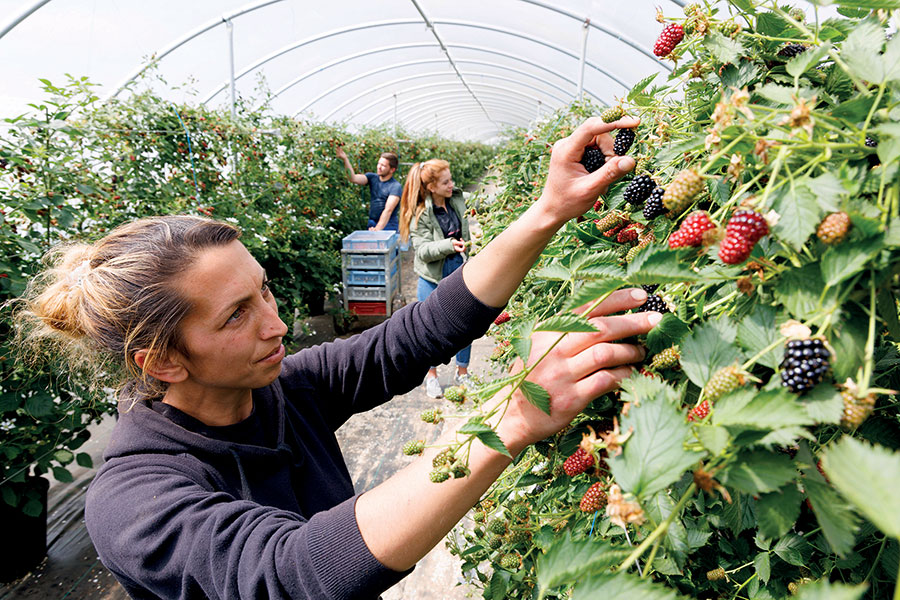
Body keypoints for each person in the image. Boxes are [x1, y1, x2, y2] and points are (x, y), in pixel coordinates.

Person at [12, 117, 654, 600]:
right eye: (236, 314)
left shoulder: (281, 389)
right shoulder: (134, 498)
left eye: (264, 288)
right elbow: (292, 571)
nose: (278, 322)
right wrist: (511, 415)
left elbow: (413, 336)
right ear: (162, 362)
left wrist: (549, 210)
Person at [398, 159, 472, 398]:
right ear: (431, 187)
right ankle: (431, 376)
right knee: (429, 330)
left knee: (466, 323)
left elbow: (483, 201)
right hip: (432, 277)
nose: (452, 185)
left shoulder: (457, 199)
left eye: (451, 179)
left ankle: (462, 373)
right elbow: (421, 251)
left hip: (458, 269)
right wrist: (449, 245)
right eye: (446, 182)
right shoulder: (421, 214)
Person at [336, 146, 403, 232]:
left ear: (392, 170)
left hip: (388, 224)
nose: (379, 167)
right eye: (379, 163)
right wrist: (345, 159)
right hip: (372, 223)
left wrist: (378, 229)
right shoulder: (372, 178)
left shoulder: (395, 186)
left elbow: (388, 210)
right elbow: (353, 178)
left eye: (383, 165)